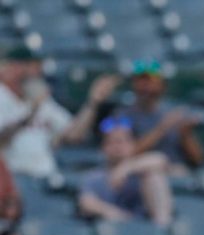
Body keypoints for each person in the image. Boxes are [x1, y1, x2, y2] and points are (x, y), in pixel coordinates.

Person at [0, 45, 120, 178]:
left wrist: (93, 102)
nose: (39, 71)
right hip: (10, 180)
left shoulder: (42, 101)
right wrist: (30, 113)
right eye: (33, 66)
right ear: (14, 67)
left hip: (44, 177)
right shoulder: (4, 97)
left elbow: (74, 135)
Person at [78, 118, 174, 227]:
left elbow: (161, 160)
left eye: (122, 141)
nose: (118, 147)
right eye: (112, 142)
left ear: (133, 145)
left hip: (144, 227)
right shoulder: (94, 176)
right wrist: (117, 214)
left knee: (154, 176)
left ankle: (162, 229)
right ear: (104, 147)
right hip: (109, 229)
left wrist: (126, 168)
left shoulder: (141, 170)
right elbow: (86, 202)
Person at [121, 59, 204, 169]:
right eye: (140, 79)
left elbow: (198, 160)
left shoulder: (176, 113)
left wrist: (185, 134)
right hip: (137, 175)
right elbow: (125, 155)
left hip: (176, 175)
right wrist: (162, 128)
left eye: (150, 80)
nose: (145, 85)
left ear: (163, 85)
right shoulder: (122, 116)